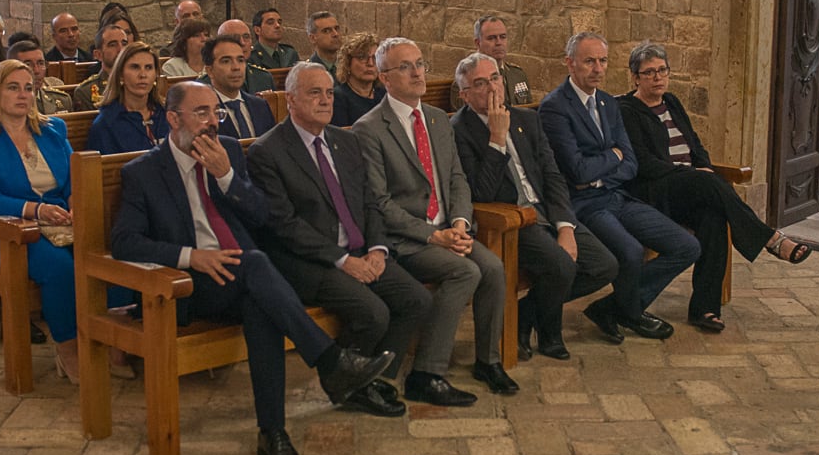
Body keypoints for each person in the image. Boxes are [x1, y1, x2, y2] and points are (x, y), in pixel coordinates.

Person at [111, 82, 396, 455]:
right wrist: (192, 256)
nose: (212, 122)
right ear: (173, 119)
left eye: (216, 112)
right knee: (258, 267)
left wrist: (227, 177)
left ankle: (273, 434)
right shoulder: (144, 172)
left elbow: (262, 217)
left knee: (260, 301)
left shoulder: (227, 151)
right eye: (201, 114)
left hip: (245, 278)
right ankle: (330, 360)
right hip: (189, 286)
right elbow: (125, 242)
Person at [247, 64, 421, 419]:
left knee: (416, 299)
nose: (326, 100)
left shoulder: (346, 141)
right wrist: (343, 261)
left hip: (361, 249)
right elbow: (285, 225)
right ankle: (340, 378)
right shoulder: (269, 151)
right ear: (291, 99)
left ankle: (371, 380)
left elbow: (371, 201)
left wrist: (377, 248)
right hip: (311, 260)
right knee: (373, 313)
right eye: (315, 93)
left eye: (328, 93)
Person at [355, 37, 511, 401]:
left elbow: (456, 178)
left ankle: (488, 361)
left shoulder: (438, 119)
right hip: (406, 238)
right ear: (384, 78)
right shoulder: (371, 128)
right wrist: (433, 236)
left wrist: (459, 223)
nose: (417, 72)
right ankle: (426, 373)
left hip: (448, 228)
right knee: (465, 271)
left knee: (492, 267)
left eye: (420, 63)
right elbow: (379, 202)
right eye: (405, 66)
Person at [617, 42, 808, 333]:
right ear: (635, 77)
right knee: (706, 181)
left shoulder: (672, 102)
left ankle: (704, 309)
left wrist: (702, 167)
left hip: (690, 188)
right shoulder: (626, 110)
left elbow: (693, 142)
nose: (657, 77)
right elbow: (643, 163)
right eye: (649, 72)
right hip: (654, 191)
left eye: (662, 70)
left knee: (714, 218)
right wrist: (693, 174)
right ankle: (770, 238)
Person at [450, 52, 616, 360]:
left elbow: (551, 176)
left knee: (605, 265)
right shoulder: (459, 130)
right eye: (480, 83)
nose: (492, 88)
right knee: (562, 267)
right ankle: (549, 333)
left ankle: (525, 314)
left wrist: (565, 226)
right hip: (512, 220)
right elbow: (481, 193)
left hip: (547, 212)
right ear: (464, 94)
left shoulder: (526, 118)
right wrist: (497, 139)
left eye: (495, 78)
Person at [538, 32, 699, 342]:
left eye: (603, 61)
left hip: (617, 195)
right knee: (630, 252)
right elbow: (576, 170)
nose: (598, 69)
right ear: (570, 63)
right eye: (589, 61)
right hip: (584, 203)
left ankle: (617, 308)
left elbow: (631, 163)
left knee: (687, 246)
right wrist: (612, 156)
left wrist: (604, 168)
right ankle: (630, 312)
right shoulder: (555, 107)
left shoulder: (608, 103)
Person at [0, 61, 81, 381]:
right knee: (61, 267)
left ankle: (108, 340)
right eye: (13, 87)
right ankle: (67, 347)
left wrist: (75, 205)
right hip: (12, 231)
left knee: (103, 255)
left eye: (28, 87)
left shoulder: (53, 130)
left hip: (62, 221)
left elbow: (72, 180)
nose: (23, 94)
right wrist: (35, 211)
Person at [86, 42, 169, 152]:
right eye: (135, 67)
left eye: (148, 67)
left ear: (156, 74)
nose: (143, 75)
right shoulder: (106, 123)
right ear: (120, 74)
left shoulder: (167, 114)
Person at [199, 33, 275, 138]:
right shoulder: (203, 112)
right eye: (226, 61)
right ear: (210, 70)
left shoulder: (260, 106)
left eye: (240, 60)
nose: (236, 67)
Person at [473, 15, 535, 107]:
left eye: (503, 37)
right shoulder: (469, 79)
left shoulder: (518, 75)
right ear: (478, 43)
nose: (499, 43)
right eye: (491, 38)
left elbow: (529, 109)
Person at [70, 21, 132, 109]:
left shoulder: (139, 83)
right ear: (98, 55)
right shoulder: (86, 91)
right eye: (113, 45)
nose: (121, 49)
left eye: (124, 44)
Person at [330, 31, 386, 127]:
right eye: (362, 57)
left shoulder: (384, 95)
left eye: (375, 58)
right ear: (348, 62)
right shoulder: (338, 97)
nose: (370, 63)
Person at [7, 34, 73, 115]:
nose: (36, 70)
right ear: (12, 68)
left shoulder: (62, 100)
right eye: (28, 64)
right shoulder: (3, 103)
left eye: (41, 63)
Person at [214, 20, 275, 91]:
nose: (242, 43)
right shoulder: (207, 83)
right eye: (235, 38)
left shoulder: (264, 78)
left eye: (246, 37)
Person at [250, 7, 298, 75]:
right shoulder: (252, 57)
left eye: (279, 22)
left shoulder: (290, 53)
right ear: (257, 30)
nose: (277, 26)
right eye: (270, 23)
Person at [305, 11, 344, 76]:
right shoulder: (308, 72)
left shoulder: (348, 67)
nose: (335, 34)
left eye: (336, 28)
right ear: (313, 38)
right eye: (327, 31)